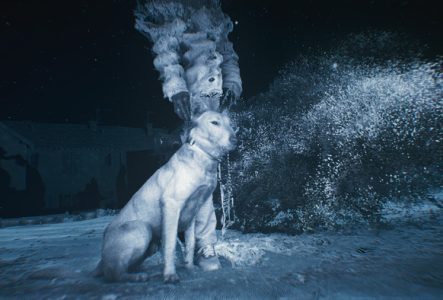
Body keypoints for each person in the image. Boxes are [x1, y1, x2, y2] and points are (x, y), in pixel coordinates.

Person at [134, 0, 242, 271]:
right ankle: (203, 245)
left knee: (208, 177)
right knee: (193, 175)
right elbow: (165, 48)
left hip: (216, 101)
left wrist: (232, 83)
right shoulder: (171, 8)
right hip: (188, 103)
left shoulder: (214, 12)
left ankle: (197, 240)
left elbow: (228, 53)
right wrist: (176, 87)